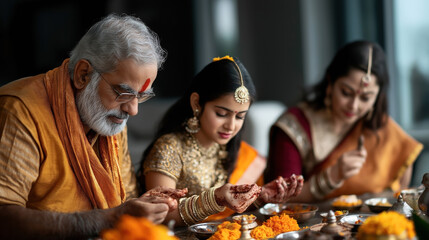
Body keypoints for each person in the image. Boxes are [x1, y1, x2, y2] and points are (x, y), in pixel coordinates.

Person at [0, 14, 187, 239]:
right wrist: (112, 218)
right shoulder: (20, 110)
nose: (133, 110)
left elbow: (123, 201)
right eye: (124, 93)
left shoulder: (111, 120)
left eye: (141, 96)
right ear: (83, 75)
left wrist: (147, 205)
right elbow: (4, 218)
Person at [140, 55, 304, 227]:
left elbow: (228, 216)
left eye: (240, 116)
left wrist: (260, 197)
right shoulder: (169, 148)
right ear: (196, 103)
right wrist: (215, 199)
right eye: (221, 114)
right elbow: (160, 213)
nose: (231, 126)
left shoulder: (230, 149)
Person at [265, 40, 423, 202]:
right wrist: (332, 176)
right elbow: (281, 199)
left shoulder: (380, 126)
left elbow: (402, 178)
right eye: (346, 92)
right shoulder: (295, 126)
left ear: (377, 97)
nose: (354, 106)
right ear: (330, 83)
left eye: (365, 97)